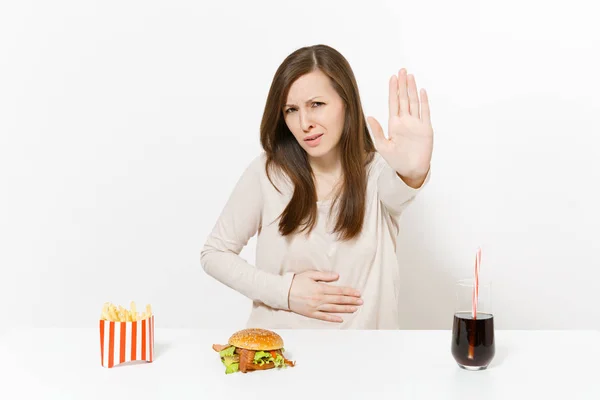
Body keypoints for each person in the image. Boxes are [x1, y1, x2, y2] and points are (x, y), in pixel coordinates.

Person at [200, 44, 433, 329]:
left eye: (316, 105)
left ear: (346, 103)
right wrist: (285, 292)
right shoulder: (268, 173)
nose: (304, 123)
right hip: (278, 362)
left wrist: (413, 171)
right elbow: (214, 253)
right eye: (291, 110)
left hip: (366, 365)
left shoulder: (378, 175)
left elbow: (401, 189)